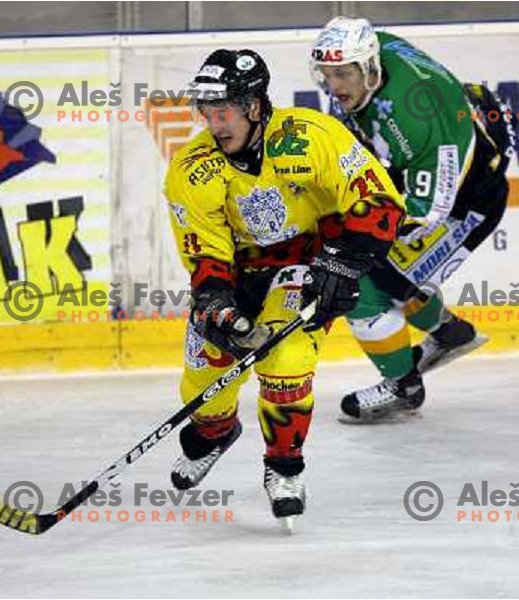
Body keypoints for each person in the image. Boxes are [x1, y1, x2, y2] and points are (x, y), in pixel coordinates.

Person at [163, 47, 405, 523]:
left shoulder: (311, 136)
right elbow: (207, 253)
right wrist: (215, 302)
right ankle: (214, 433)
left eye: (225, 110)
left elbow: (381, 204)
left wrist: (343, 264)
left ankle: (284, 467)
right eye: (207, 112)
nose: (215, 124)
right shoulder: (192, 169)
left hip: (308, 264)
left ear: (254, 106)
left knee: (287, 360)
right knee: (206, 375)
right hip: (239, 273)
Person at [309, 17, 513, 421]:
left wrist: (358, 243)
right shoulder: (375, 50)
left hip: (465, 206)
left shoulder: (416, 120)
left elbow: (429, 210)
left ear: (368, 68)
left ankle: (404, 387)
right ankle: (449, 333)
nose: (335, 86)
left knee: (362, 278)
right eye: (329, 74)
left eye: (344, 74)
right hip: (438, 169)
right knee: (388, 274)